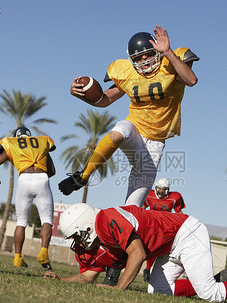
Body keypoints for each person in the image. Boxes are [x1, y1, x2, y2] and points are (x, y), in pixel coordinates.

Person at [56, 203, 227, 303]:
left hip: (186, 233)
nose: (76, 243)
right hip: (169, 245)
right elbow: (87, 276)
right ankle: (220, 281)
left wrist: (118, 290)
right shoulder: (103, 236)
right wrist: (58, 280)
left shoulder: (106, 220)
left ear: (85, 226)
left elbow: (138, 253)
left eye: (76, 237)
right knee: (158, 292)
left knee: (209, 294)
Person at [58, 25, 199, 208]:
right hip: (135, 128)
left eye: (148, 54)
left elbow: (191, 80)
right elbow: (104, 100)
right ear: (131, 60)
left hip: (155, 143)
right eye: (139, 57)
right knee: (119, 132)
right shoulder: (126, 73)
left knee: (132, 207)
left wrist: (168, 52)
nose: (145, 59)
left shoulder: (170, 64)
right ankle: (82, 177)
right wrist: (80, 95)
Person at [0, 127, 55, 270]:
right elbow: (53, 171)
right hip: (42, 179)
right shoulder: (42, 141)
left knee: (21, 221)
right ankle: (43, 253)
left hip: (24, 179)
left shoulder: (13, 143)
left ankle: (18, 258)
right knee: (47, 219)